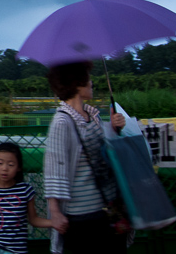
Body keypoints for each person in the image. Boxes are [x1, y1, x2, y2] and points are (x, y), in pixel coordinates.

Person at [43, 62, 126, 254]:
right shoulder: (62, 122)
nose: (91, 83)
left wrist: (114, 129)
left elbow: (103, 153)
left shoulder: (92, 115)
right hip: (82, 215)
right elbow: (53, 170)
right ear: (76, 84)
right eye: (87, 78)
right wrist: (55, 213)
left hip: (108, 208)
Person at [0, 142, 53, 254]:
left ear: (19, 167)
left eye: (11, 165)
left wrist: (54, 223)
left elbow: (34, 219)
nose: (4, 168)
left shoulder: (25, 190)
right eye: (0, 163)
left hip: (16, 250)